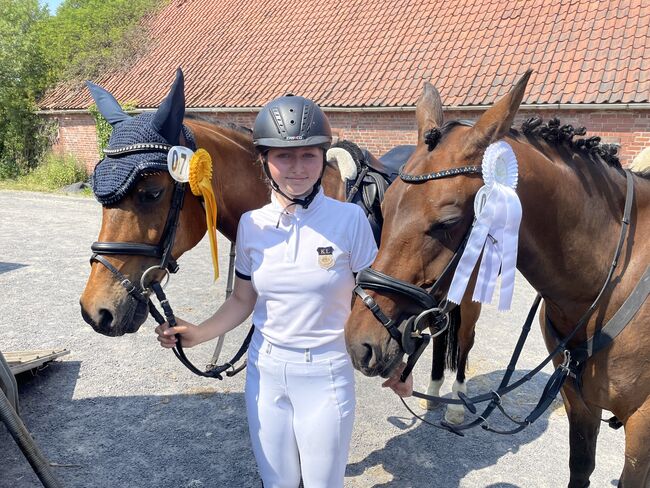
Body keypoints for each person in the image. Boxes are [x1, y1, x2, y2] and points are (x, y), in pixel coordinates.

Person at [155, 94, 411, 488]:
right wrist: (198, 333)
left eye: (308, 156)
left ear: (323, 158)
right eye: (284, 156)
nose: (297, 168)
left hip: (326, 373)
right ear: (264, 161)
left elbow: (376, 300)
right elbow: (243, 298)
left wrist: (398, 362)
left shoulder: (350, 220)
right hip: (266, 372)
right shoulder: (251, 225)